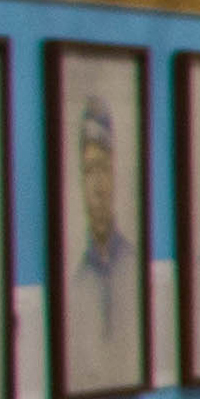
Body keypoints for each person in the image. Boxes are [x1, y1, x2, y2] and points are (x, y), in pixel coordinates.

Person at [68, 100, 136, 380]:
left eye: (103, 169)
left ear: (114, 173)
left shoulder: (133, 264)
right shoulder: (78, 280)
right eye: (88, 172)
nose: (97, 187)